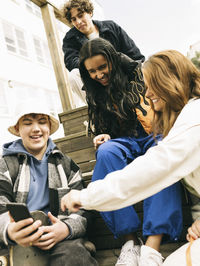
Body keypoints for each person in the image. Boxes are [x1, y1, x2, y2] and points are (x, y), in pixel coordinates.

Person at [61, 49, 200, 265]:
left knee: (159, 158)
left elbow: (156, 167)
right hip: (125, 143)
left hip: (149, 139)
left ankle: (151, 250)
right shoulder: (96, 95)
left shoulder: (193, 119)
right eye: (92, 71)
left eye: (152, 85)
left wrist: (85, 197)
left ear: (169, 81)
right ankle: (130, 242)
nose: (147, 92)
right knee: (107, 152)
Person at [0, 100, 98, 266]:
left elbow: (84, 208)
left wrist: (66, 229)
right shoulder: (6, 165)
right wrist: (9, 230)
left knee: (74, 256)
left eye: (42, 122)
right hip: (17, 244)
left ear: (49, 128)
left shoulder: (67, 165)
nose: (36, 129)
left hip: (61, 240)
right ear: (18, 129)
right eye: (28, 123)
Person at [62, 0, 145, 107]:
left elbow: (135, 55)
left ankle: (133, 98)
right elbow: (71, 62)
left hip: (121, 76)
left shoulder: (111, 27)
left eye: (81, 15)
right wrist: (93, 66)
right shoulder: (70, 38)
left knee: (142, 66)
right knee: (74, 75)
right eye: (74, 19)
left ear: (90, 13)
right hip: (96, 81)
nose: (78, 22)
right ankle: (99, 107)